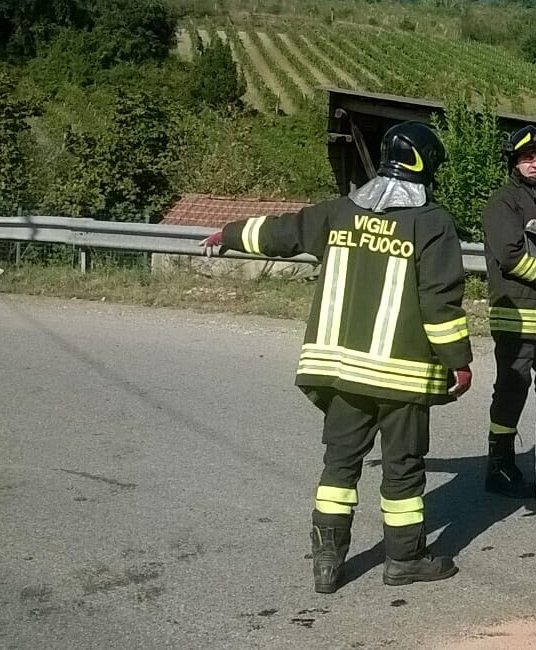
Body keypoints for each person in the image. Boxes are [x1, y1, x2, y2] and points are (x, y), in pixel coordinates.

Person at [201, 120, 474, 594]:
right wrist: (459, 359)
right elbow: (438, 300)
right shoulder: (432, 223)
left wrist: (227, 233)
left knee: (339, 467)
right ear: (427, 164)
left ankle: (327, 564)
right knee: (403, 467)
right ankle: (405, 559)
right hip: (402, 375)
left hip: (341, 372)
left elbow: (282, 233)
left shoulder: (341, 212)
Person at [480, 124, 536, 498]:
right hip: (516, 313)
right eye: (528, 158)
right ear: (515, 163)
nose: (535, 164)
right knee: (512, 391)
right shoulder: (504, 203)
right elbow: (511, 257)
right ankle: (499, 466)